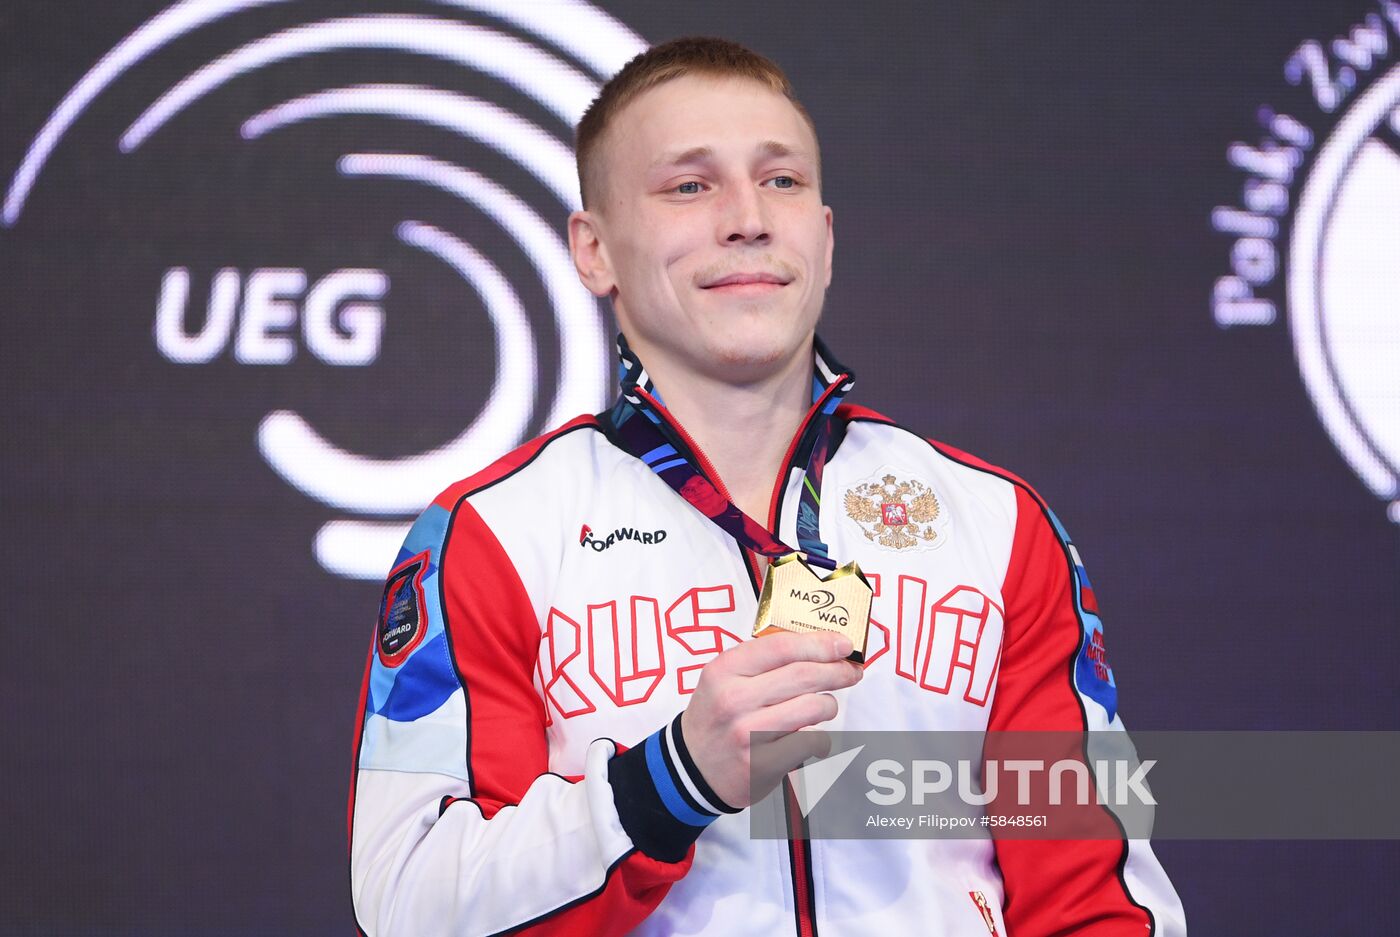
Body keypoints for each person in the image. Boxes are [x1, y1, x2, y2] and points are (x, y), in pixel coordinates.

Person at [348, 36, 1186, 937]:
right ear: (594, 251)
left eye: (781, 180)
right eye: (689, 186)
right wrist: (671, 779)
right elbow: (410, 905)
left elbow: (1097, 893)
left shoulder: (995, 524)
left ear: (823, 239)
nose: (747, 218)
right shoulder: (490, 535)